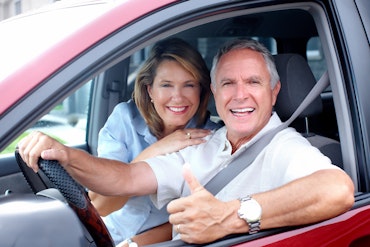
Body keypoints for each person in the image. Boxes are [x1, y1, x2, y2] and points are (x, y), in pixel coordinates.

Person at [18, 38, 354, 245]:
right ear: (216, 93)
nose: (239, 95)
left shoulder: (286, 147)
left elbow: (336, 188)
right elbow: (125, 178)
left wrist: (229, 216)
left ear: (274, 91)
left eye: (253, 81)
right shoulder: (205, 141)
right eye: (227, 83)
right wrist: (65, 154)